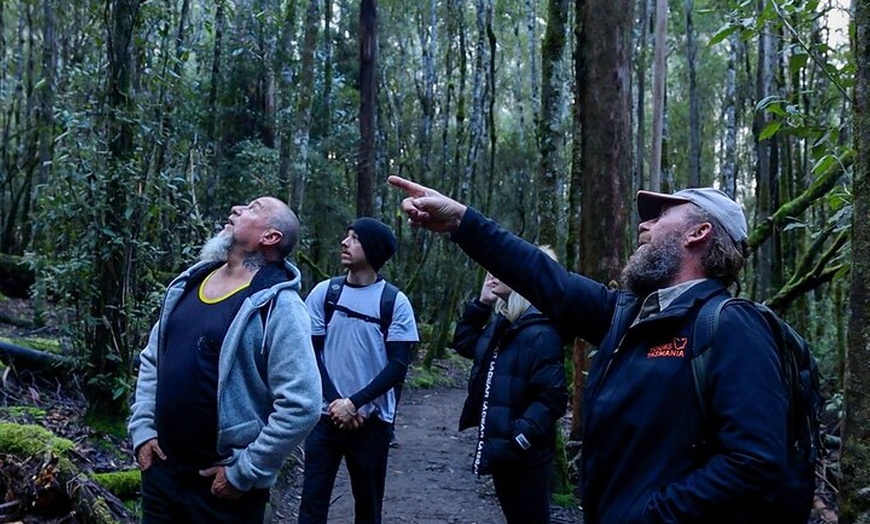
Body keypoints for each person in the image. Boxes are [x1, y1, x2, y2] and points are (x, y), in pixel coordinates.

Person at [389, 175, 789, 524]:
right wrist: (461, 222)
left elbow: (753, 462)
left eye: (661, 215)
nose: (644, 225)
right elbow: (547, 279)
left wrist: (648, 516)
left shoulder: (733, 326)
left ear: (697, 233)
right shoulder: (629, 316)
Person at [128, 196, 322, 524]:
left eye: (253, 208)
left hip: (223, 488)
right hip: (162, 474)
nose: (236, 209)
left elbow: (303, 404)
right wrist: (143, 429)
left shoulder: (281, 308)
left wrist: (246, 470)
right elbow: (152, 359)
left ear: (270, 237)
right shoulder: (189, 284)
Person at [298, 217, 419, 524]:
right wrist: (337, 402)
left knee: (368, 505)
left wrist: (355, 403)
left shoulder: (395, 302)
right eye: (347, 236)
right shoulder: (325, 293)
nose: (344, 242)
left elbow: (397, 366)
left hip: (372, 422)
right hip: (324, 419)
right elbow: (310, 352)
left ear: (374, 249)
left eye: (355, 238)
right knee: (312, 504)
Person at [452, 251, 567, 524]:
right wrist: (481, 303)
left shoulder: (540, 331)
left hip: (526, 455)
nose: (492, 272)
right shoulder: (503, 326)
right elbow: (465, 343)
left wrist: (520, 437)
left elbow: (553, 397)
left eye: (501, 266)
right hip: (503, 450)